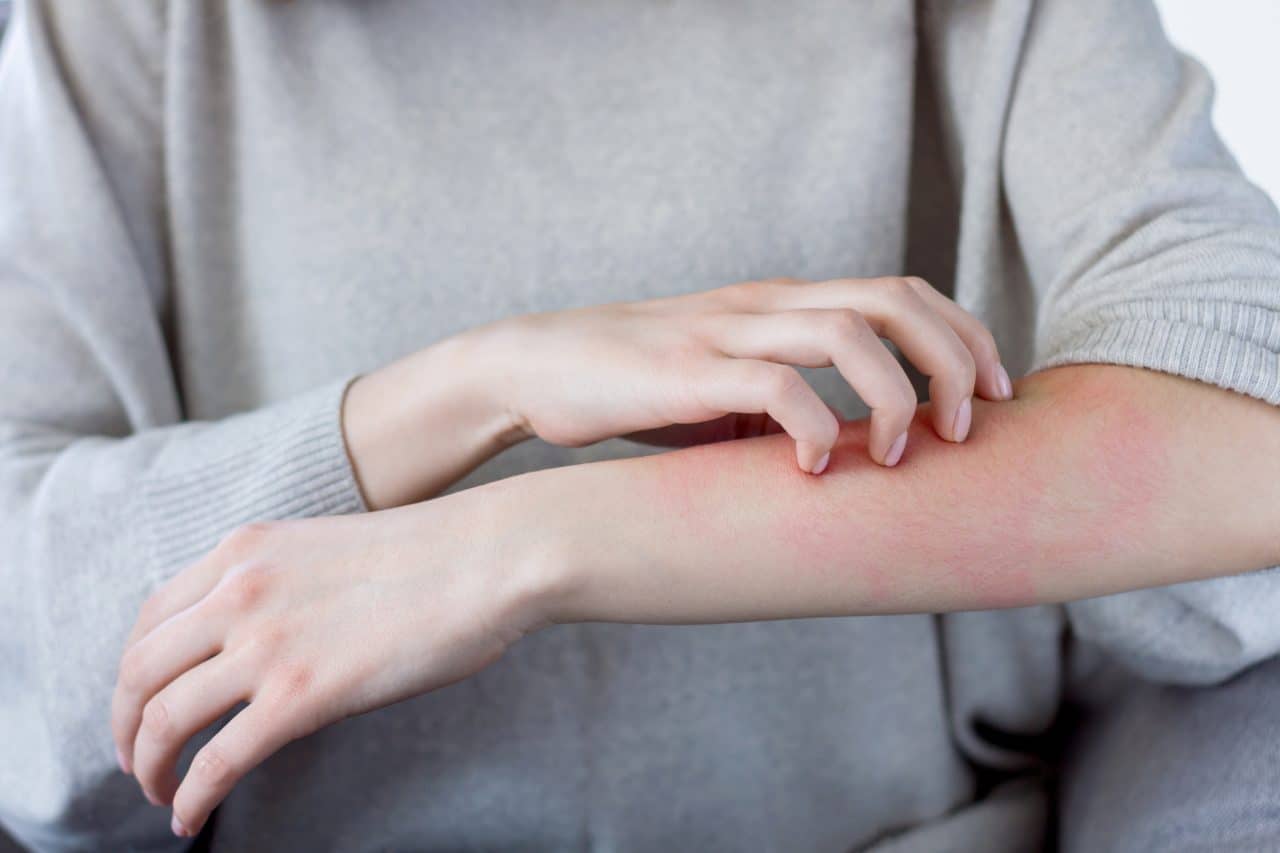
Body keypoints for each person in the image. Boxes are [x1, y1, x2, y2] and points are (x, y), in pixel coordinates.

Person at [1, 1, 1277, 850]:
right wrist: (468, 390)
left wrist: (524, 545)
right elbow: (25, 645)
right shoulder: (127, 27)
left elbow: (1241, 435)